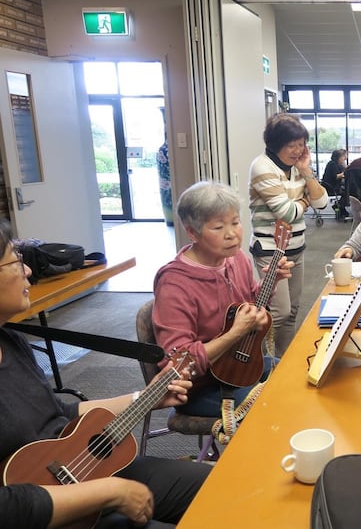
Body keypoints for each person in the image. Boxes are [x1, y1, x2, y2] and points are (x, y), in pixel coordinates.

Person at [0, 218, 210, 528]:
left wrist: (146, 398)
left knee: (222, 484)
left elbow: (59, 412)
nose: (28, 270)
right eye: (16, 260)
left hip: (80, 468)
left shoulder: (12, 341)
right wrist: (107, 492)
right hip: (46, 509)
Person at [154, 181, 293, 418]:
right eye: (218, 227)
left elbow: (249, 302)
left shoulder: (236, 258)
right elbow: (179, 362)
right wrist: (235, 333)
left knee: (297, 377)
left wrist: (272, 280)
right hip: (201, 387)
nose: (232, 235)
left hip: (243, 365)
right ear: (192, 232)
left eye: (236, 223)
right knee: (274, 406)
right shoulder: (174, 284)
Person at [249, 113, 328, 355]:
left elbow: (323, 202)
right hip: (271, 250)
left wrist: (306, 172)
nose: (297, 150)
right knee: (277, 312)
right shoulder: (262, 166)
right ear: (275, 144)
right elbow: (288, 212)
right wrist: (306, 201)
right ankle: (257, 362)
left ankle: (283, 362)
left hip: (296, 246)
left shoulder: (298, 167)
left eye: (301, 144)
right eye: (291, 145)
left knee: (292, 311)